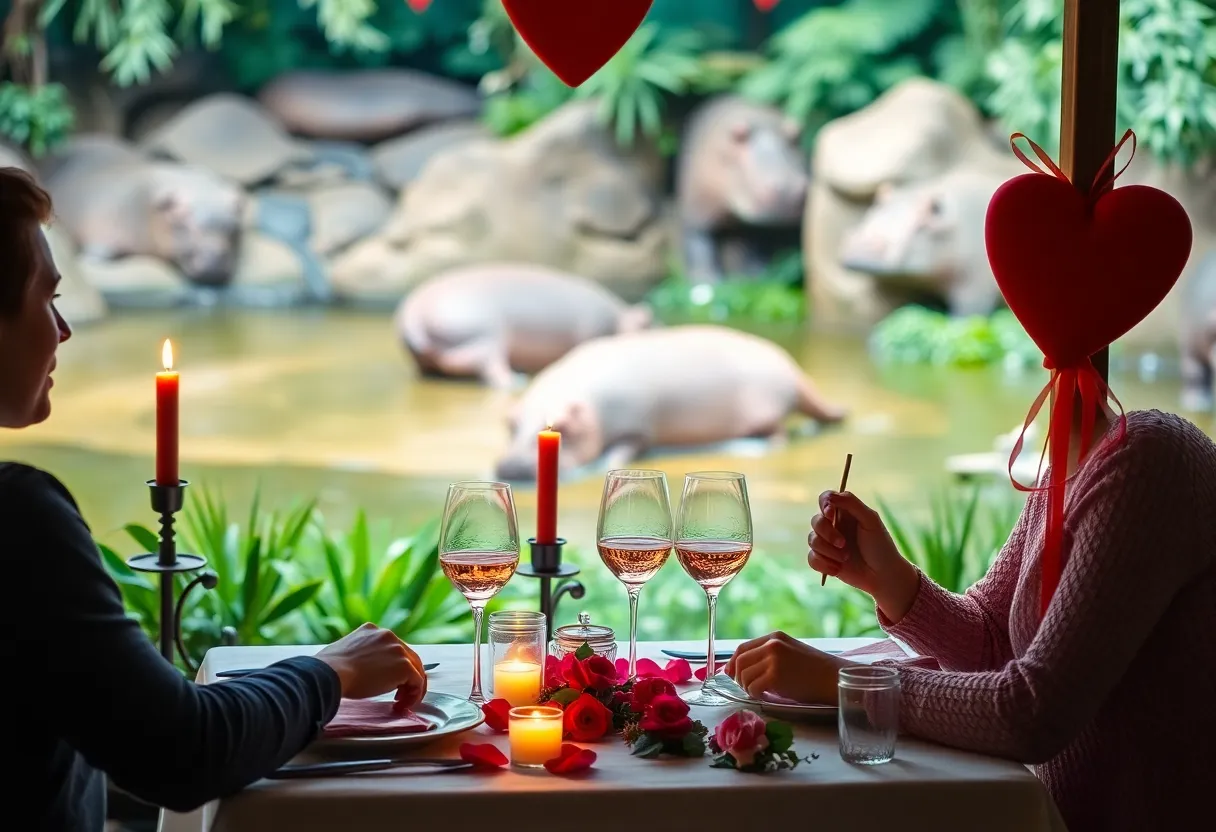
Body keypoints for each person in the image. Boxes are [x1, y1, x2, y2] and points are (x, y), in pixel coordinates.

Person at [0, 167, 430, 831]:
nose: (63, 330)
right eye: (44, 298)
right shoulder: (18, 519)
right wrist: (331, 672)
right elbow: (183, 750)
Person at [726, 389, 1216, 830]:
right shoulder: (1078, 459)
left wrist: (851, 685)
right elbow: (993, 644)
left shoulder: (1149, 460)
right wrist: (891, 581)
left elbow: (1032, 713)